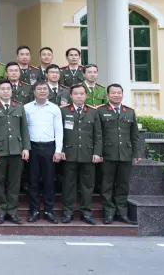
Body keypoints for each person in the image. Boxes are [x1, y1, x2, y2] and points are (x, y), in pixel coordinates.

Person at [0, 79, 30, 224]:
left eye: (8, 89)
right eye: (3, 89)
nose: (6, 91)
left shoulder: (19, 107)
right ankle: (1, 211)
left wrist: (26, 148)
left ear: (12, 91)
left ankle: (12, 211)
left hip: (17, 150)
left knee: (14, 183)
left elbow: (24, 130)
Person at [98, 84, 142, 225]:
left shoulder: (129, 112)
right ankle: (109, 213)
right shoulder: (100, 111)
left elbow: (135, 135)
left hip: (126, 154)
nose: (116, 95)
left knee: (123, 185)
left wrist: (137, 153)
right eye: (113, 93)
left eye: (119, 93)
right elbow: (98, 135)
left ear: (122, 95)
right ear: (107, 95)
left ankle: (122, 213)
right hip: (107, 154)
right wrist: (98, 152)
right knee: (107, 185)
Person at [60, 84, 102, 225]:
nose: (79, 96)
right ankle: (68, 212)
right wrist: (61, 150)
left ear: (86, 95)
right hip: (69, 154)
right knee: (68, 185)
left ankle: (86, 212)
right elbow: (59, 133)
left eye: (82, 94)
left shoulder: (93, 112)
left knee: (87, 186)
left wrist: (97, 152)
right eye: (76, 94)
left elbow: (98, 135)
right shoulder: (64, 111)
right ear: (71, 96)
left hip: (88, 154)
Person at [24, 80, 63, 224]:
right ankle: (34, 211)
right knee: (33, 181)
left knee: (49, 181)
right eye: (39, 89)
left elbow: (59, 130)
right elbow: (24, 130)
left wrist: (58, 150)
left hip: (49, 148)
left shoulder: (54, 108)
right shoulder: (27, 108)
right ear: (34, 92)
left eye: (44, 89)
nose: (42, 91)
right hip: (32, 148)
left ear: (48, 91)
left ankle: (48, 211)